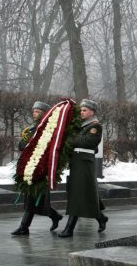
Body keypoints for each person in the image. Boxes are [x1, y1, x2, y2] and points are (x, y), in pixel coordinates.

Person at [11, 101, 63, 236]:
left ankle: (24, 227)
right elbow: (21, 145)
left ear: (45, 114)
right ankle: (54, 216)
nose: (35, 113)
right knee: (32, 198)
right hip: (29, 166)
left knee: (36, 199)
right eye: (34, 111)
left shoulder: (49, 129)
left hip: (41, 167)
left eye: (38, 111)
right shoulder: (32, 128)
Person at [58, 99, 107, 237]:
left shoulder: (95, 126)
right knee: (85, 193)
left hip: (85, 163)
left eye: (85, 110)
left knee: (78, 194)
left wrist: (71, 139)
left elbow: (87, 142)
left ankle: (69, 229)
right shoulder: (80, 126)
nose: (82, 112)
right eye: (81, 110)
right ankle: (101, 218)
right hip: (76, 162)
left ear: (92, 112)